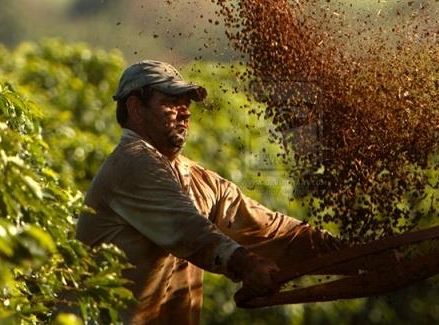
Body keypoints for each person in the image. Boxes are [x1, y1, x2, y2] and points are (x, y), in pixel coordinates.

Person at [76, 60, 341, 324]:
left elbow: (264, 228)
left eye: (187, 103)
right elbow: (188, 230)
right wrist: (246, 266)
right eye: (171, 102)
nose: (186, 113)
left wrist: (342, 252)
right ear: (136, 108)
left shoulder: (195, 177)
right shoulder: (130, 162)